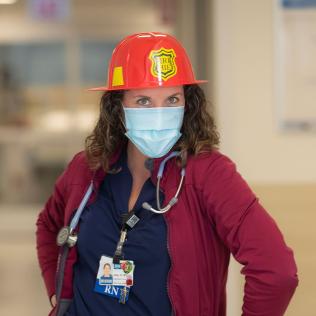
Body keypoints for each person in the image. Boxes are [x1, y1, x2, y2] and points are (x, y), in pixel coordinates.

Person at [36, 32, 298, 316]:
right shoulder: (87, 169)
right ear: (117, 107)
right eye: (144, 101)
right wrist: (59, 295)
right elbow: (49, 225)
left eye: (172, 99)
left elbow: (277, 272)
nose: (159, 114)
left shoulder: (208, 174)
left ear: (189, 104)